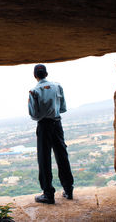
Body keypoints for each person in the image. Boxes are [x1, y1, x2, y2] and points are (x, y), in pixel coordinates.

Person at [28, 64, 74, 204]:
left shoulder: (34, 91)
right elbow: (63, 108)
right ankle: (68, 189)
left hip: (44, 126)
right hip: (57, 123)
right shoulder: (57, 86)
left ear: (35, 75)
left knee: (44, 158)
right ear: (46, 73)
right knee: (62, 154)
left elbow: (34, 115)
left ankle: (48, 194)